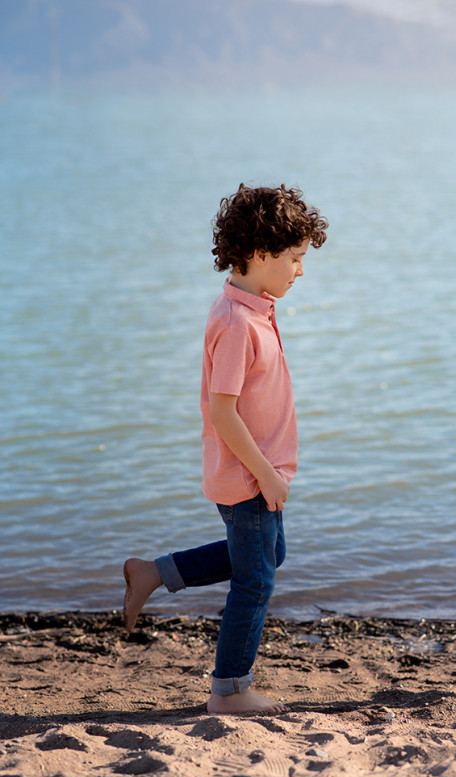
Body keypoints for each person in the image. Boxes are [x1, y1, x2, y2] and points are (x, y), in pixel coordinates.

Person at [123, 183, 327, 715]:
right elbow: (223, 413)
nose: (301, 270)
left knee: (268, 555)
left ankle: (155, 572)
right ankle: (229, 690)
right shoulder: (237, 323)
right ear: (260, 253)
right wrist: (267, 475)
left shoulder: (253, 307)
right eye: (295, 258)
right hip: (249, 477)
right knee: (255, 581)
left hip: (256, 472)